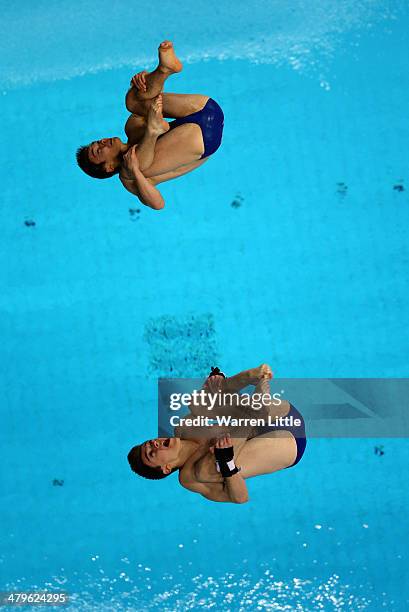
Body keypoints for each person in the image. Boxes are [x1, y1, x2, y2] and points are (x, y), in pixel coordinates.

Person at [76, 41, 224, 210]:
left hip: (204, 109)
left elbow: (149, 98)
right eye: (98, 150)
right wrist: (137, 174)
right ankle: (153, 131)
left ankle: (164, 70)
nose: (102, 142)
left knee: (132, 102)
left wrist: (141, 84)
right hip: (204, 139)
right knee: (132, 167)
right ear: (109, 167)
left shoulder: (131, 127)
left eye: (97, 141)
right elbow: (158, 204)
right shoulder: (128, 179)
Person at [127, 365, 307, 504]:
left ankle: (251, 376)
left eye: (150, 443)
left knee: (197, 403)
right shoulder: (188, 478)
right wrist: (226, 462)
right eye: (151, 453)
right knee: (207, 469)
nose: (155, 444)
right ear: (166, 468)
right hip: (288, 444)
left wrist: (217, 389)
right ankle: (251, 414)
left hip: (281, 414)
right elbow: (240, 498)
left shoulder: (183, 428)